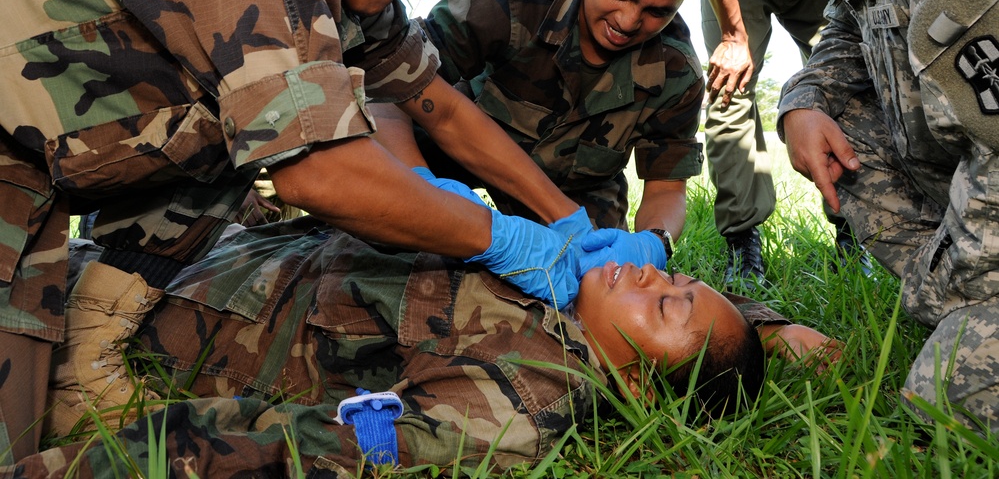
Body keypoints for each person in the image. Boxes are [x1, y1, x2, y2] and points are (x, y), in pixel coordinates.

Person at [0, 0, 654, 462]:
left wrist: (560, 217)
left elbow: (442, 109)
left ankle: (88, 342)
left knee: (23, 427)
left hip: (30, 152)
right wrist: (501, 235)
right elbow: (316, 174)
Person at [5, 213, 837, 478]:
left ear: (641, 391)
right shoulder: (561, 283)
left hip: (108, 319)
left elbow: (283, 447)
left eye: (666, 305)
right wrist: (766, 321)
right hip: (168, 250)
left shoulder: (516, 403)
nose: (645, 276)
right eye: (672, 279)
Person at [679, 0, 999, 433]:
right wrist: (801, 99)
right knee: (832, 119)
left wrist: (967, 299)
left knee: (943, 403)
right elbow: (847, 30)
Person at [393, 0, 711, 246]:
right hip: (456, 146)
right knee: (391, 221)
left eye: (658, 12)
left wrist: (654, 242)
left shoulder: (676, 70)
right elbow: (395, 83)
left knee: (591, 273)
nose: (629, 20)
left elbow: (667, 187)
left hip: (574, 190)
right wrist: (415, 185)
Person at [684, 0, 834, 284]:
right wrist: (733, 36)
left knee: (849, 84)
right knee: (728, 89)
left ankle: (855, 232)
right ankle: (743, 245)